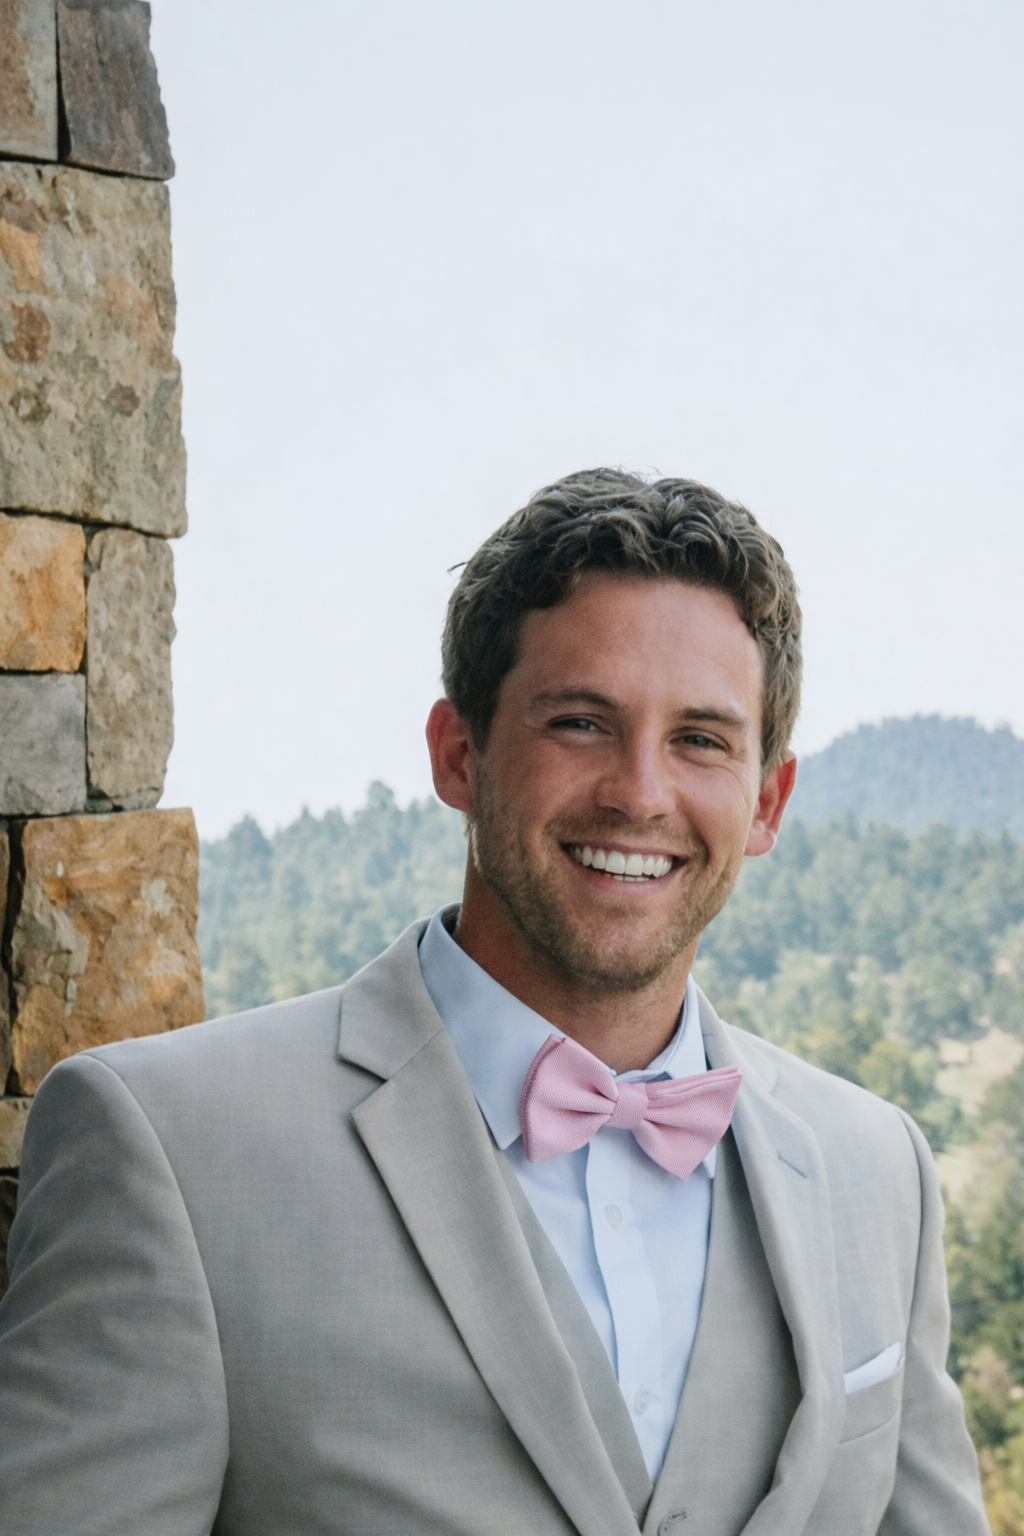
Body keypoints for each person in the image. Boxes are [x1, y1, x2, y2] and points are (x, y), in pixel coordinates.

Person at [0, 470, 988, 1536]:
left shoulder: (878, 1170)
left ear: (766, 800)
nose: (640, 793)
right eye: (579, 722)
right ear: (458, 753)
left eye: (700, 739)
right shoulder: (169, 1150)